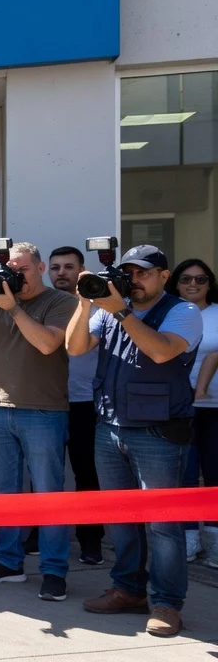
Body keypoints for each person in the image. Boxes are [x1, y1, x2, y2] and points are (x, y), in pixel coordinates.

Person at [68, 245, 202, 638]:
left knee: (163, 525)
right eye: (128, 273)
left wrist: (120, 312)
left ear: (164, 276)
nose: (134, 280)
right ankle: (127, 590)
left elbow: (162, 352)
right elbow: (75, 349)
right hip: (109, 427)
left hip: (159, 432)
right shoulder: (109, 310)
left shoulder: (183, 312)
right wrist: (83, 304)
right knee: (120, 519)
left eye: (142, 273)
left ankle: (165, 603)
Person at [0, 241, 76, 602]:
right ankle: (8, 562)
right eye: (10, 270)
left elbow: (47, 344)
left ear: (41, 268)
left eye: (23, 270)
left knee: (48, 495)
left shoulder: (61, 302)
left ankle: (54, 571)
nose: (15, 276)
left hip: (43, 410)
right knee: (3, 493)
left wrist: (12, 308)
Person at [48, 246, 105, 564]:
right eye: (55, 267)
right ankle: (39, 534)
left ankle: (90, 540)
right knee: (44, 475)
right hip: (48, 402)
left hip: (86, 404)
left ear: (82, 270)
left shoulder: (98, 308)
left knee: (87, 474)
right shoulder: (43, 305)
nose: (61, 273)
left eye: (68, 267)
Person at [167, 258, 218, 568]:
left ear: (209, 283)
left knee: (214, 474)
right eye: (186, 279)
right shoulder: (168, 314)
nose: (193, 284)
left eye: (201, 279)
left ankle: (214, 541)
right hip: (177, 408)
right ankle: (189, 538)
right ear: (176, 283)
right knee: (183, 475)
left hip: (215, 408)